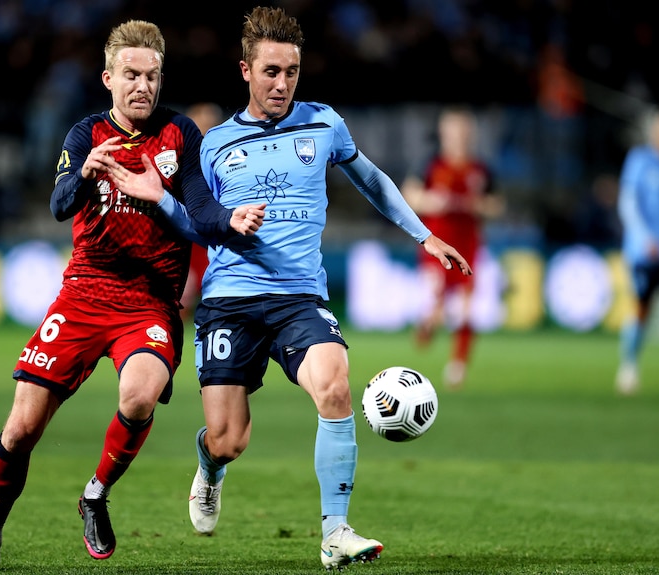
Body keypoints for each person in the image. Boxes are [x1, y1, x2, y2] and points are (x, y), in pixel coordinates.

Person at [106, 6, 472, 570]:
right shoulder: (213, 144)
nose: (282, 83)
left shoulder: (324, 124)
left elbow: (370, 178)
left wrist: (422, 234)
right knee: (230, 438)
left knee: (334, 386)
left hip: (300, 297)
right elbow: (197, 222)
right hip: (229, 302)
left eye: (292, 71)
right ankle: (209, 465)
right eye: (271, 71)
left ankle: (335, 532)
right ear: (246, 71)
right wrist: (162, 198)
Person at [0, 20, 264, 572]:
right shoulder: (85, 135)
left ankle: (96, 492)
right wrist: (87, 176)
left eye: (153, 75)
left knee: (140, 396)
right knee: (21, 429)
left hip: (149, 302)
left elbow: (199, 207)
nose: (143, 85)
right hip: (83, 297)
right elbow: (58, 205)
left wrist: (228, 218)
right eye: (132, 75)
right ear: (109, 79)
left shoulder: (180, 133)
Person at [401, 106, 504, 389]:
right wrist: (431, 201)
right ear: (444, 134)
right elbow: (409, 196)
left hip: (469, 245)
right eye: (453, 131)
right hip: (437, 245)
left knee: (467, 309)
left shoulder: (480, 170)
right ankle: (428, 324)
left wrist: (479, 205)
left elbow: (496, 205)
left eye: (463, 131)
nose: (458, 137)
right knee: (437, 304)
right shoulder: (430, 166)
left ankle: (457, 367)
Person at [614, 106, 659, 395]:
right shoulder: (641, 160)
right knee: (641, 309)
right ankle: (629, 364)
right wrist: (644, 237)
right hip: (646, 252)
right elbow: (629, 203)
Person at [180, 102, 225, 318]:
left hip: (215, 244)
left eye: (210, 129)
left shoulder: (227, 167)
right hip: (186, 245)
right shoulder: (174, 166)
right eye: (200, 130)